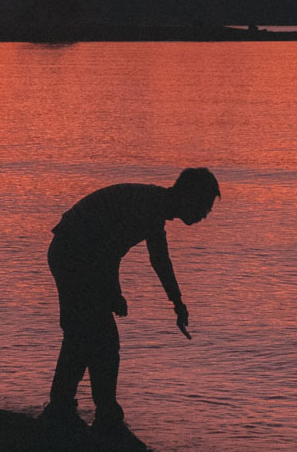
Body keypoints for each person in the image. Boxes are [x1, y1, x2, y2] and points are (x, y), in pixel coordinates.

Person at [40, 167, 219, 434]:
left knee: (84, 335)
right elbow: (107, 252)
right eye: (205, 206)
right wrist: (114, 293)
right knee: (100, 339)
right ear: (189, 197)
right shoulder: (148, 208)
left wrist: (177, 302)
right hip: (72, 253)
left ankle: (67, 408)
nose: (206, 214)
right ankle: (100, 416)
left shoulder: (155, 208)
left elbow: (159, 259)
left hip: (76, 253)